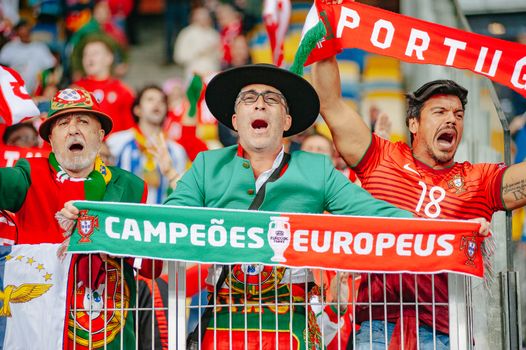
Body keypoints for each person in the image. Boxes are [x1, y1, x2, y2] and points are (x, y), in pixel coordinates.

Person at [163, 63, 414, 349]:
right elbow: (170, 219)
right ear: (234, 121)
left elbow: (373, 212)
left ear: (286, 121)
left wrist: (444, 229)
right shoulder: (208, 165)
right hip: (224, 326)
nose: (259, 104)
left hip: (292, 328)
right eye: (249, 98)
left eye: (272, 99)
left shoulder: (316, 169)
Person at [312, 55, 526, 349]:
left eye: (458, 114)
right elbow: (330, 103)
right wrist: (325, 42)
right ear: (413, 123)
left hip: (449, 331)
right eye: (439, 111)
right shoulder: (381, 158)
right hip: (378, 325)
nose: (452, 119)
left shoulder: (479, 180)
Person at [0, 87, 161, 348]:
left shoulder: (129, 185)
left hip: (108, 334)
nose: (73, 129)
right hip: (40, 333)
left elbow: (153, 267)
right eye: (63, 123)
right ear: (51, 139)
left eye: (83, 121)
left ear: (100, 136)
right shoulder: (29, 174)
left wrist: (93, 228)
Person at [106, 84, 188, 204]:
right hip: (124, 217)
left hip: (160, 219)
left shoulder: (177, 150)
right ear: (137, 110)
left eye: (162, 101)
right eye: (150, 99)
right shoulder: (116, 142)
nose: (157, 104)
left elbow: (181, 192)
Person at [72, 34, 135, 133]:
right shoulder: (74, 91)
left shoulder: (124, 91)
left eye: (95, 53)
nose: (89, 58)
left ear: (109, 58)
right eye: (86, 54)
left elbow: (130, 129)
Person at [0, 19, 56, 93]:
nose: (24, 32)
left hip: (37, 92)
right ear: (17, 32)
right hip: (13, 90)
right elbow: (2, 67)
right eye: (21, 29)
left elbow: (51, 67)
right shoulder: (9, 48)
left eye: (26, 28)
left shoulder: (40, 47)